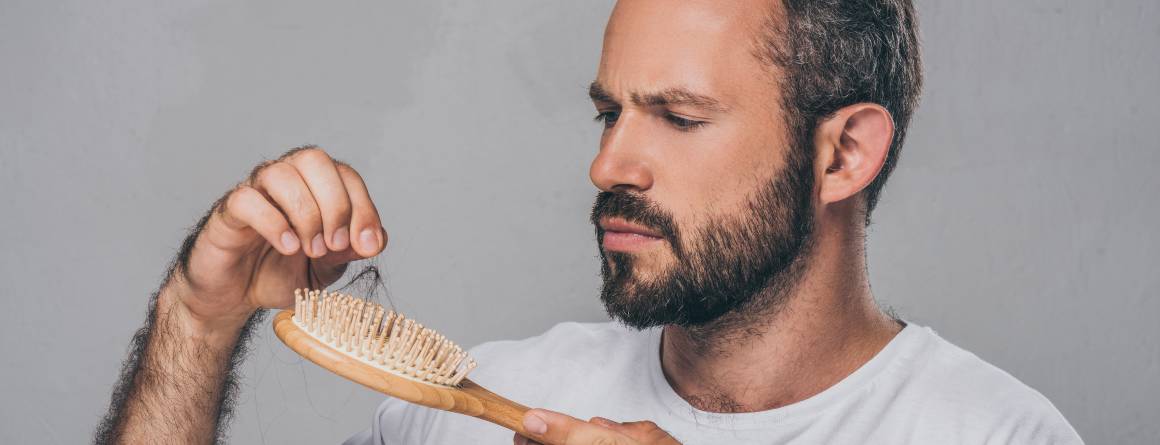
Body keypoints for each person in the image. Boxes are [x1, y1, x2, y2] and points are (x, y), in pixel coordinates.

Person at [95, 0, 1084, 444]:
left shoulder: (990, 435)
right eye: (609, 111)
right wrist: (197, 315)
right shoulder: (476, 404)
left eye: (677, 116)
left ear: (842, 153)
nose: (606, 165)